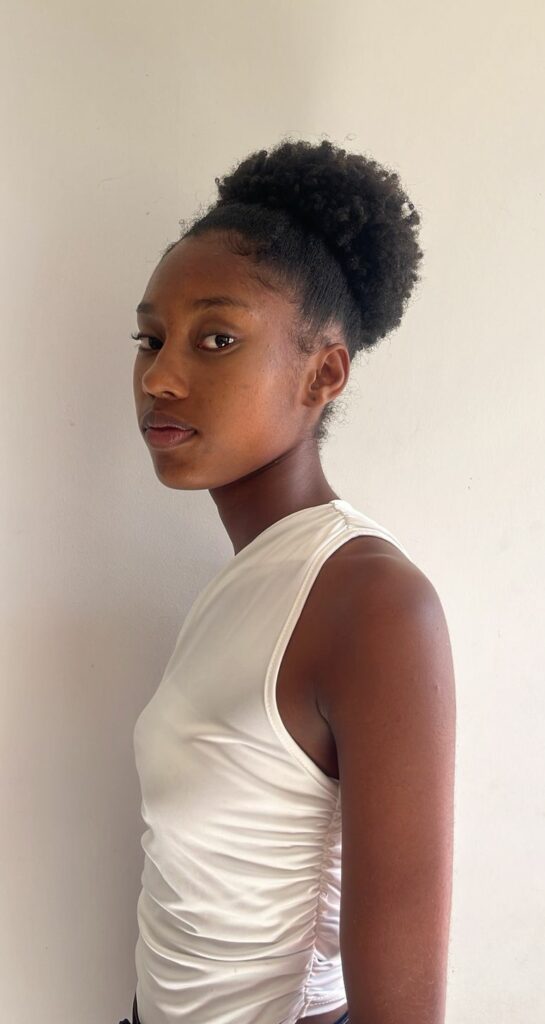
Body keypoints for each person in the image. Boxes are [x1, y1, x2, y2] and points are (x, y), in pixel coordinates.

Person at [120, 138, 456, 1024]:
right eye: (151, 339)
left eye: (216, 339)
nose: (159, 376)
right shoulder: (243, 583)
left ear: (323, 372)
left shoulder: (373, 605)